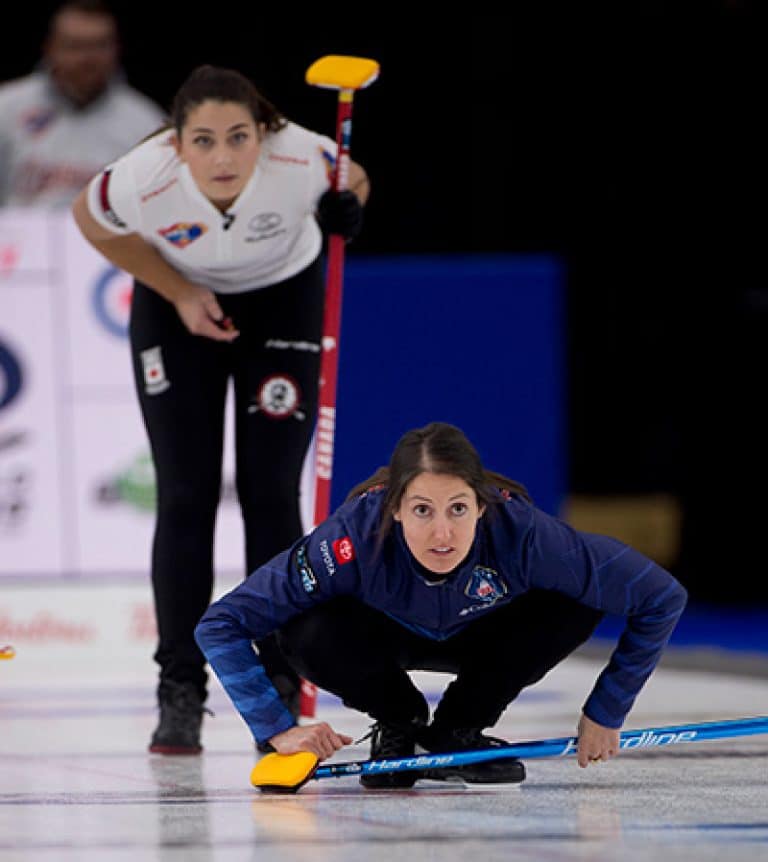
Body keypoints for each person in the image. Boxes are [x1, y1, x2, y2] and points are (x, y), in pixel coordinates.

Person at [71, 64, 369, 754]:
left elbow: (352, 178)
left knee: (270, 494)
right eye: (203, 140)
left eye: (239, 137)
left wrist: (348, 209)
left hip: (282, 303)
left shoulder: (299, 155)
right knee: (184, 494)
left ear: (264, 135)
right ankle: (180, 688)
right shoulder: (143, 174)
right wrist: (175, 290)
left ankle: (281, 682)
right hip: (178, 309)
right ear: (177, 144)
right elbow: (90, 219)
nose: (224, 155)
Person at [194, 421, 688, 789]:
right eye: (422, 511)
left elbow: (661, 597)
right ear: (394, 509)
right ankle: (399, 721)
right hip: (383, 640)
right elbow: (221, 625)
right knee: (306, 627)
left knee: (576, 601)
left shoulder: (529, 536)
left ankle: (458, 728)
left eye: (457, 509)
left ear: (481, 504)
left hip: (487, 639)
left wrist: (607, 710)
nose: (442, 533)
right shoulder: (348, 541)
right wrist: (276, 728)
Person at [0, 0, 164, 207]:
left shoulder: (146, 123)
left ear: (116, 49)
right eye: (75, 46)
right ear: (50, 48)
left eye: (99, 45)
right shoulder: (6, 108)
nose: (88, 58)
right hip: (17, 235)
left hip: (104, 238)